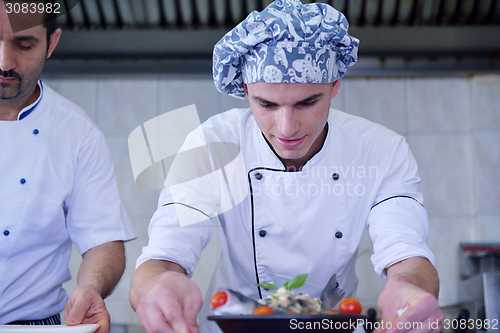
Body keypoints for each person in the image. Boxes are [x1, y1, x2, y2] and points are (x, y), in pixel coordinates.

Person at [129, 1, 443, 333]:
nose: (287, 127)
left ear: (334, 85)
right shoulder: (211, 144)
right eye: (266, 104)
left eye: (307, 102)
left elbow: (407, 254)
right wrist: (155, 286)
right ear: (246, 91)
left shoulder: (381, 151)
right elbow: (164, 253)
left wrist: (409, 290)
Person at [0, 1, 136, 332]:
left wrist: (91, 288)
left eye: (23, 44)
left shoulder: (76, 133)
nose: (4, 62)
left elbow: (103, 241)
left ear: (52, 43)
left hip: (34, 325)